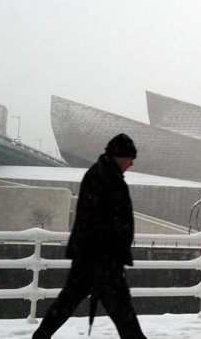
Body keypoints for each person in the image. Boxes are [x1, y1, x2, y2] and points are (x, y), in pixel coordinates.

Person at [33, 133, 147, 339]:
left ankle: (41, 336)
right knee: (121, 311)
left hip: (94, 258)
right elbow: (102, 219)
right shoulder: (105, 177)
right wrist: (111, 251)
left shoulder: (103, 174)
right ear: (120, 156)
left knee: (69, 301)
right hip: (102, 259)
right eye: (130, 158)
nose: (131, 163)